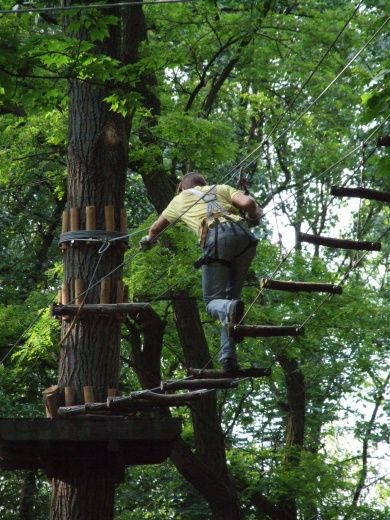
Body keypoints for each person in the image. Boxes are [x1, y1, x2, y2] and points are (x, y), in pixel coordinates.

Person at [140, 171, 263, 372]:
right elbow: (249, 203)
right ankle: (228, 359)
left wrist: (148, 241)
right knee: (231, 300)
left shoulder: (179, 200)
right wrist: (253, 215)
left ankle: (230, 317)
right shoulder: (221, 188)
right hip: (245, 239)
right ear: (203, 183)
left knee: (214, 303)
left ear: (182, 187)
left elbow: (155, 230)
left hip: (216, 239)